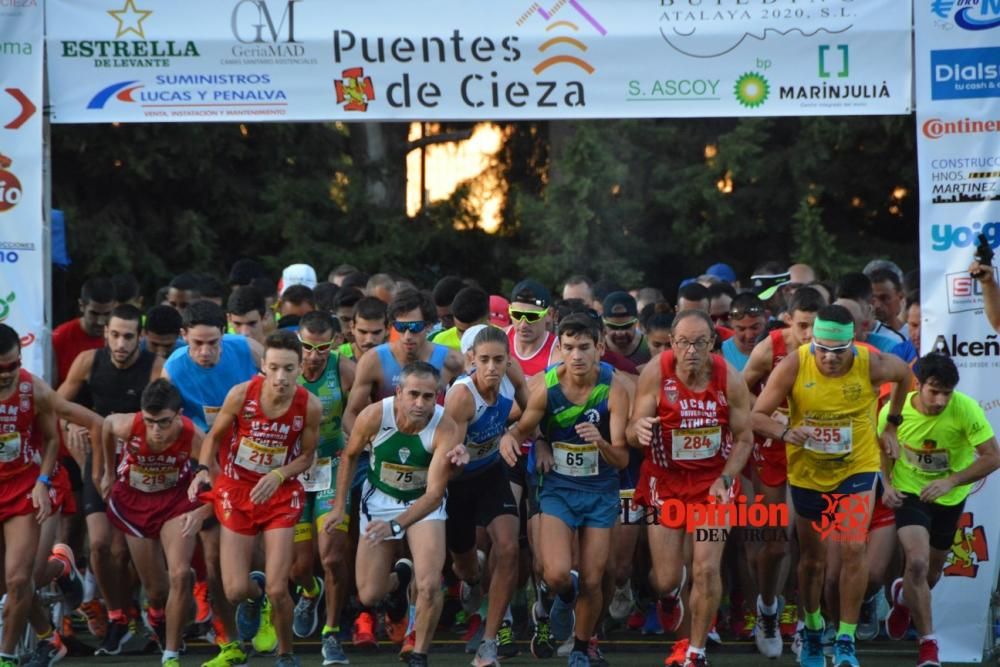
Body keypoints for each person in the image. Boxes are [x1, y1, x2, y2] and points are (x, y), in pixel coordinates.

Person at [751, 304, 913, 667]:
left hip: (856, 469)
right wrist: (788, 432)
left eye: (837, 351)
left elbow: (904, 375)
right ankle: (811, 630)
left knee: (854, 547)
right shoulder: (795, 363)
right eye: (822, 348)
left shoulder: (871, 362)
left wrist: (891, 424)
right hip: (808, 474)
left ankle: (845, 639)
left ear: (853, 344)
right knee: (813, 560)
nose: (828, 358)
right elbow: (756, 415)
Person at [500, 313, 630, 667]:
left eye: (584, 348)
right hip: (559, 487)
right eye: (568, 347)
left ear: (599, 349)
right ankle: (561, 596)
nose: (576, 356)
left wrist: (600, 442)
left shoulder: (614, 388)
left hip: (601, 491)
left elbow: (620, 458)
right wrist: (510, 441)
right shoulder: (546, 387)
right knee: (557, 572)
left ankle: (580, 648)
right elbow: (522, 428)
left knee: (593, 577)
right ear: (559, 348)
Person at [628, 310, 754, 667]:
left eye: (700, 342)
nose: (691, 350)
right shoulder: (657, 372)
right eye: (683, 342)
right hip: (664, 480)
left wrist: (726, 479)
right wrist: (638, 430)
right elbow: (631, 428)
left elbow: (744, 438)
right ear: (672, 342)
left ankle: (695, 651)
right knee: (666, 578)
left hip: (712, 481)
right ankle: (668, 597)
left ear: (712, 343)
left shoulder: (729, 378)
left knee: (705, 569)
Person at [188, 330, 322, 667]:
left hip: (279, 492)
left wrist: (278, 474)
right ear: (263, 366)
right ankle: (254, 596)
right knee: (234, 590)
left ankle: (286, 654)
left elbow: (307, 456)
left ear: (300, 368)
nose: (280, 377)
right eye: (274, 368)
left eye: (289, 369)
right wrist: (204, 469)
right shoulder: (240, 395)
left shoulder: (309, 405)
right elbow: (213, 437)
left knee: (280, 588)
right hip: (236, 489)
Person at [326, 362, 468, 667]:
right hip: (379, 501)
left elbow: (433, 495)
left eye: (428, 397)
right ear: (399, 393)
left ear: (437, 397)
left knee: (429, 584)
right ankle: (400, 579)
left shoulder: (445, 427)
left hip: (421, 506)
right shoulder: (374, 415)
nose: (420, 403)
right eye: (413, 394)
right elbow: (350, 456)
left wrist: (397, 525)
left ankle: (419, 652)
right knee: (369, 594)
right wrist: (340, 506)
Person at [879, 354, 1000, 667]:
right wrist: (887, 485)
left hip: (949, 496)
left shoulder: (965, 409)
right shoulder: (895, 411)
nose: (941, 399)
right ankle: (929, 646)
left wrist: (952, 481)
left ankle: (904, 597)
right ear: (918, 384)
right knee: (916, 563)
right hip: (910, 492)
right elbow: (882, 447)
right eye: (934, 391)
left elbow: (992, 456)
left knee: (930, 575)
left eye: (947, 392)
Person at [57, 304, 162, 655]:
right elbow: (54, 404)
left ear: (141, 338)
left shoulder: (154, 368)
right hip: (98, 460)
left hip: (136, 465)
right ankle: (115, 615)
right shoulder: (88, 361)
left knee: (120, 552)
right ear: (105, 334)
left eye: (128, 336)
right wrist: (71, 423)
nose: (120, 343)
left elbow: (163, 416)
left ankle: (140, 612)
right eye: (114, 335)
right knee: (99, 545)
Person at [162, 300, 261, 667]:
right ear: (184, 337)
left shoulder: (246, 347)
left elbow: (283, 382)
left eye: (213, 343)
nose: (205, 352)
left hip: (255, 457)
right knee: (214, 557)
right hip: (206, 463)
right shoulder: (172, 369)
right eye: (197, 343)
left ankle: (261, 604)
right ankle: (229, 641)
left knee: (259, 546)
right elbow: (167, 423)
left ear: (226, 336)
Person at [99, 380, 209, 667]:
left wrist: (202, 496)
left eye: (163, 422)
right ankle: (156, 614)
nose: (156, 431)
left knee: (181, 574)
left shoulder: (192, 434)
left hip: (175, 501)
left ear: (179, 414)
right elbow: (106, 426)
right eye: (150, 422)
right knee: (156, 590)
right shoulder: (127, 425)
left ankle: (170, 654)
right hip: (134, 504)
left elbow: (217, 474)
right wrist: (107, 472)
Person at [741, 286, 823, 658]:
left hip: (817, 452)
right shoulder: (767, 348)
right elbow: (737, 394)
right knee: (774, 541)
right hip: (772, 449)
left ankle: (810, 622)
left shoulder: (833, 349)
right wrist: (770, 412)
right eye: (803, 326)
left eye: (815, 326)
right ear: (789, 319)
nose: (809, 335)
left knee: (813, 545)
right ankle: (768, 609)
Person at [444, 327, 529, 666]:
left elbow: (530, 407)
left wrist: (519, 432)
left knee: (508, 547)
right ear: (471, 361)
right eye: (484, 361)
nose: (492, 367)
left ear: (508, 359)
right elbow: (445, 454)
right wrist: (455, 458)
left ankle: (490, 642)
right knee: (467, 568)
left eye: (498, 360)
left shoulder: (513, 376)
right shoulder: (462, 396)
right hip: (460, 482)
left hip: (493, 473)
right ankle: (471, 580)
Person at [289, 312, 356, 666]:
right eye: (306, 346)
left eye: (322, 347)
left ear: (334, 343)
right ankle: (309, 591)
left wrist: (354, 434)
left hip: (332, 468)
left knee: (331, 557)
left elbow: (359, 411)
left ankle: (331, 634)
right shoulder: (283, 370)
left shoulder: (344, 368)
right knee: (299, 568)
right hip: (292, 475)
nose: (313, 355)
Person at [0, 324, 60, 667]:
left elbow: (52, 439)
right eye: (1, 368)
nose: (8, 373)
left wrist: (43, 480)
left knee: (19, 578)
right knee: (3, 583)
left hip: (23, 487)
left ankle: (6, 657)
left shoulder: (33, 388)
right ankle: (47, 637)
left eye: (14, 364)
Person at [52, 276, 116, 385]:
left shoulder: (121, 337)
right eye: (94, 313)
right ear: (82, 306)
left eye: (107, 314)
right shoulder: (59, 338)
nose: (100, 322)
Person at [719, 293, 767, 372]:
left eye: (755, 328)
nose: (749, 335)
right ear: (731, 323)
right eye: (741, 329)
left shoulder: (778, 348)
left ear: (766, 318)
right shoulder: (721, 354)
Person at [602, 291, 650, 367]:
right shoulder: (598, 348)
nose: (620, 333)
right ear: (604, 324)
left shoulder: (649, 346)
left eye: (626, 326)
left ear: (636, 322)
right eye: (613, 327)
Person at [339, 296, 387, 362]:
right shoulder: (336, 358)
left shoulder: (398, 359)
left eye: (376, 332)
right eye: (363, 332)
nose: (369, 340)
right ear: (352, 327)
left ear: (387, 330)